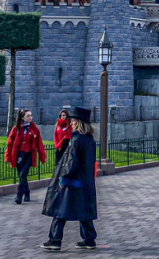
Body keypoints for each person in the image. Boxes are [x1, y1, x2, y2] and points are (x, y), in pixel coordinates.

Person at [42, 107, 98, 251]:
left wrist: (63, 175)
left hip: (72, 180)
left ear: (78, 122)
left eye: (73, 121)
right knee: (83, 209)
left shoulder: (76, 139)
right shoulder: (89, 140)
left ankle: (55, 239)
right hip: (84, 180)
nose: (71, 123)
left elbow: (71, 162)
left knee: (60, 210)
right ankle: (89, 239)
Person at [4, 109, 47, 204]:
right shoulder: (16, 128)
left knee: (23, 174)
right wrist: (8, 156)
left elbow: (39, 143)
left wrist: (42, 156)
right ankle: (27, 192)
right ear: (23, 117)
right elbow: (10, 143)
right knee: (21, 176)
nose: (30, 117)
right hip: (19, 155)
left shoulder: (34, 129)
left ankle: (19, 195)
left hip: (29, 155)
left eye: (31, 115)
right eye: (28, 116)